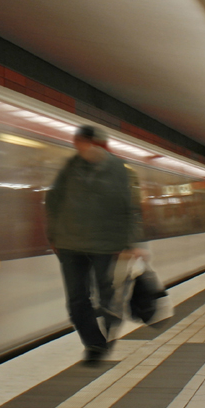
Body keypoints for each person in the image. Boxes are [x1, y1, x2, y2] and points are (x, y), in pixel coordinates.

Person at [45, 125, 145, 362]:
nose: (80, 147)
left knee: (107, 296)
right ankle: (95, 344)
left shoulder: (118, 170)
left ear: (98, 144)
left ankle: (108, 329)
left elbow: (129, 208)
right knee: (77, 300)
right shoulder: (71, 167)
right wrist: (53, 237)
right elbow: (53, 200)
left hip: (106, 245)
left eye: (84, 143)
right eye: (78, 143)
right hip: (70, 244)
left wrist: (132, 243)